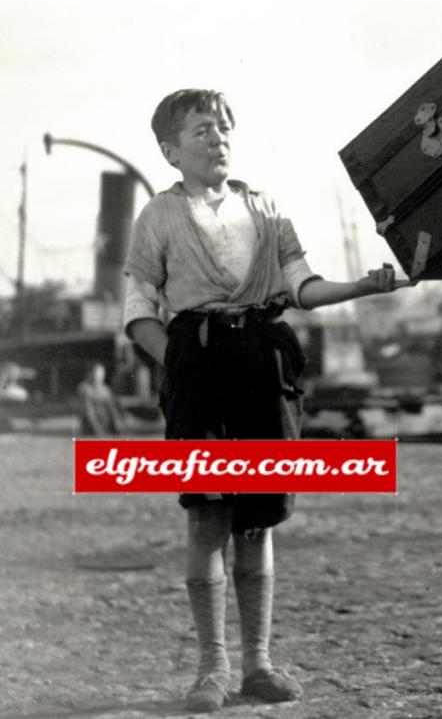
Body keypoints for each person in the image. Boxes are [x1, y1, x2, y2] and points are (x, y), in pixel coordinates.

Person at [122, 89, 404, 713]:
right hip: (198, 365)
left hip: (263, 362)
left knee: (257, 517)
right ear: (171, 151)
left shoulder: (266, 206)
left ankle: (258, 664)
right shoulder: (157, 218)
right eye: (201, 131)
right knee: (207, 515)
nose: (217, 138)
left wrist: (360, 285)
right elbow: (139, 311)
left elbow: (300, 283)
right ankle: (211, 670)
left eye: (222, 127)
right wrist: (184, 366)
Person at [76, 362, 125, 435]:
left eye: (102, 373)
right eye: (97, 373)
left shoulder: (105, 390)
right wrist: (97, 429)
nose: (100, 376)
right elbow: (89, 412)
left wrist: (117, 421)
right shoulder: (84, 389)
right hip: (91, 426)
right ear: (90, 373)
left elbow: (112, 408)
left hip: (105, 424)